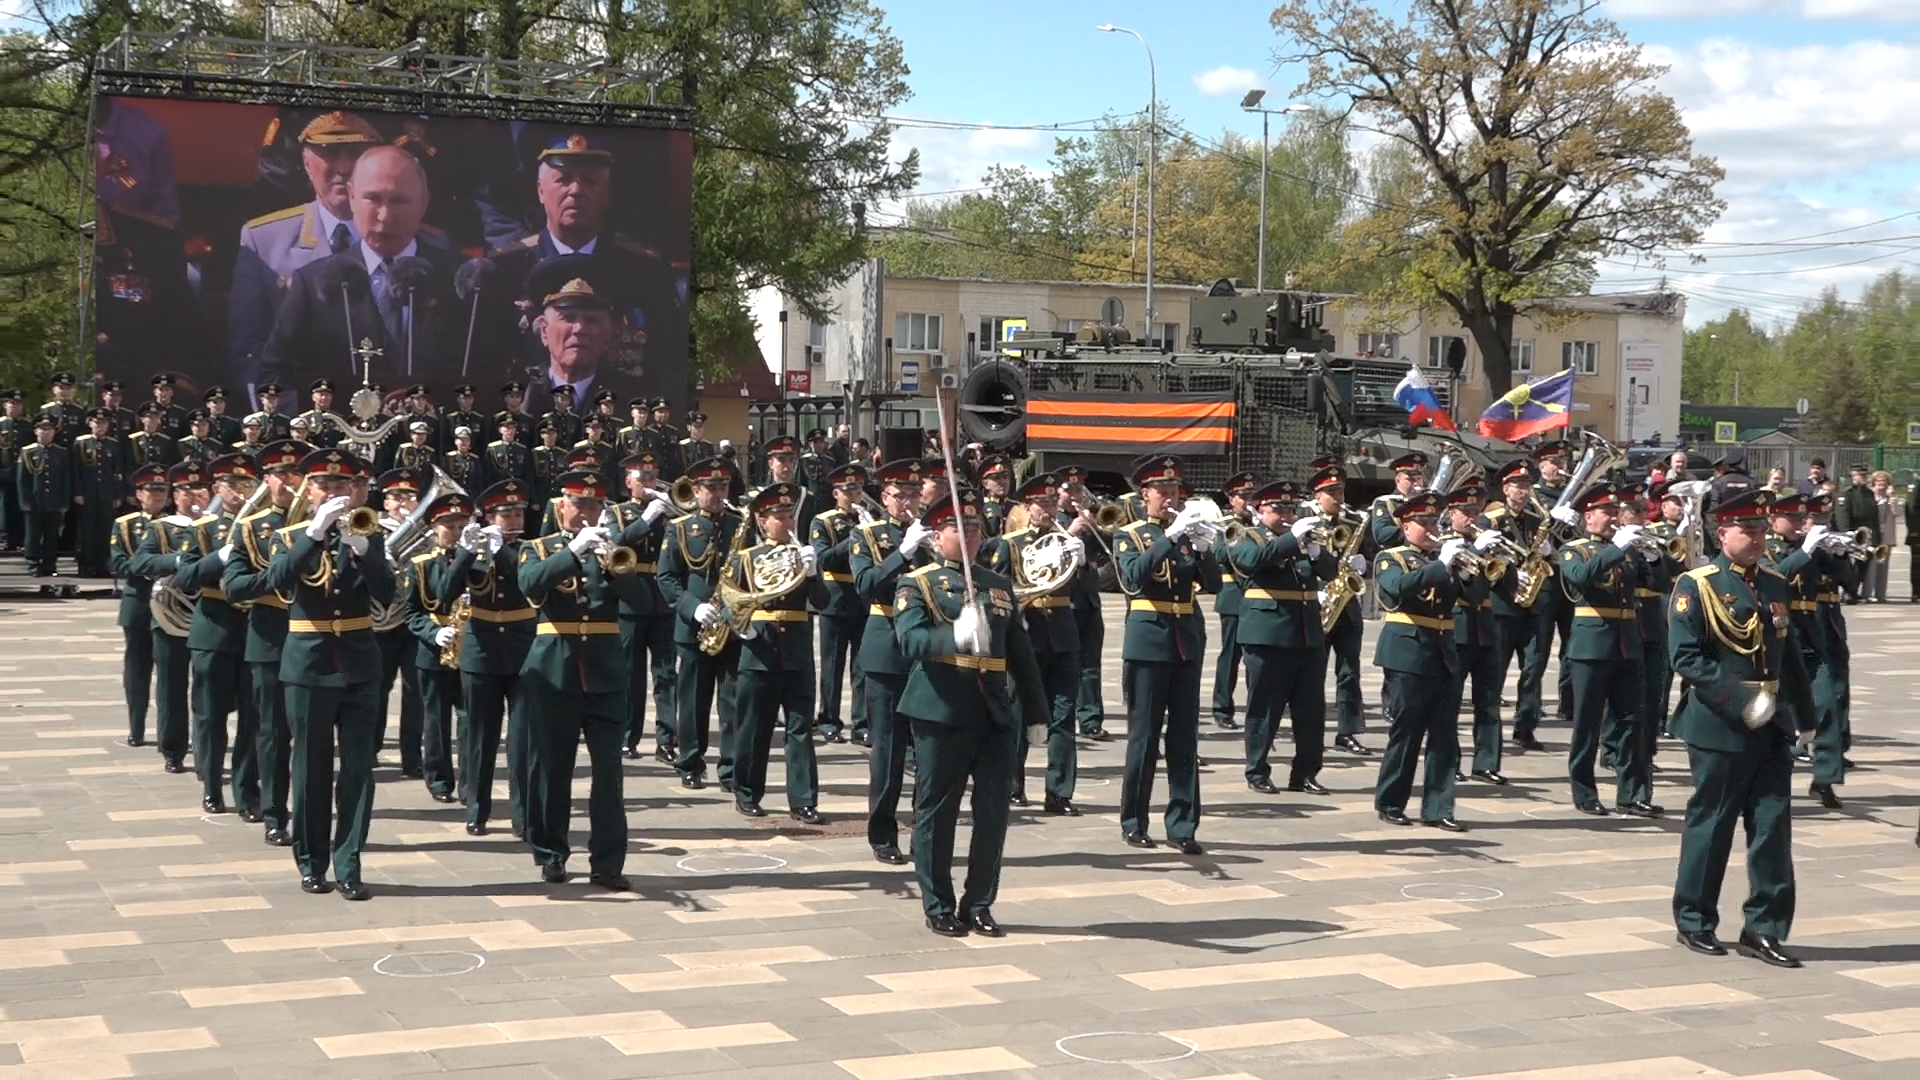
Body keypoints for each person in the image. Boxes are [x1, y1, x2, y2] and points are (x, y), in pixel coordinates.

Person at [1669, 489, 1817, 968]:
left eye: (1759, 529)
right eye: (1745, 530)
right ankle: (1694, 920)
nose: (1756, 538)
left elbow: (1786, 652)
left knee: (1773, 828)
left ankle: (1765, 927)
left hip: (1772, 724)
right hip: (1720, 724)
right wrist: (1745, 702)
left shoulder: (1774, 583)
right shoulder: (1698, 585)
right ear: (1722, 533)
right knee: (1711, 825)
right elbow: (1686, 659)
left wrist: (1807, 715)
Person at [893, 488, 1047, 938]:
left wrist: (1037, 711)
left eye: (977, 528)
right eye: (960, 529)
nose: (971, 536)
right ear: (937, 537)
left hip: (995, 712)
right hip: (941, 710)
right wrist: (954, 635)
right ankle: (937, 903)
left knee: (994, 811)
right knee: (937, 811)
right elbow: (911, 641)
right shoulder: (916, 583)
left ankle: (979, 901)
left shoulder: (998, 586)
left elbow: (1021, 653)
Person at [261, 448, 396, 900]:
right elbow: (277, 580)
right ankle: (312, 861)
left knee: (358, 768)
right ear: (308, 490)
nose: (335, 494)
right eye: (325, 486)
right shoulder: (289, 536)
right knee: (311, 767)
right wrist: (314, 536)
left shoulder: (369, 535)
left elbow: (387, 593)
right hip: (309, 664)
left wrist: (363, 552)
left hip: (359, 662)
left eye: (343, 486)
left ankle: (350, 862)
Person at [518, 469, 643, 890]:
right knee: (553, 769)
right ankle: (551, 853)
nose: (584, 512)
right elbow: (529, 586)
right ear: (561, 506)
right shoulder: (537, 548)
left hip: (605, 674)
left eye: (592, 505)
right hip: (554, 674)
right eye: (578, 503)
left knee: (609, 774)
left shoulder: (613, 551)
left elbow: (644, 601)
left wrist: (616, 566)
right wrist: (572, 552)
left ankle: (608, 862)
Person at [261, 145, 471, 391]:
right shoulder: (313, 284)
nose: (385, 215)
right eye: (372, 199)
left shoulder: (463, 284)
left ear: (424, 203)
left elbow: (489, 376)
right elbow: (275, 378)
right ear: (351, 196)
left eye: (399, 201)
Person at [490, 133, 686, 387]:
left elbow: (664, 368)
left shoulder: (645, 271)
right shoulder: (507, 268)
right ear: (541, 191)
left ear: (606, 193)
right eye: (564, 179)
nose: (576, 190)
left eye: (589, 180)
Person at [230, 111, 385, 397]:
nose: (344, 166)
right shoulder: (262, 240)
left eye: (355, 153)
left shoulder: (407, 239)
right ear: (306, 163)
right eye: (330, 153)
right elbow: (250, 350)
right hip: (297, 411)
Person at [1113, 455, 1221, 854]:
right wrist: (1170, 537)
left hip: (1185, 640)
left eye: (1175, 490)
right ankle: (1133, 821)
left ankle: (1182, 824)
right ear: (1146, 494)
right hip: (1148, 640)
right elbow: (1133, 578)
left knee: (1184, 737)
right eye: (1163, 490)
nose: (1171, 496)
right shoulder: (1130, 535)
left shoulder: (1188, 536)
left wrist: (1206, 549)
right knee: (1143, 737)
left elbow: (1214, 586)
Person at [1550, 482, 1661, 818]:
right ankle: (1584, 792)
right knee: (1587, 723)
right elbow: (1581, 577)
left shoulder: (1625, 548)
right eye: (1607, 512)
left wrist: (1656, 559)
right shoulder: (1573, 549)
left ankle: (1632, 793)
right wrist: (1616, 549)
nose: (1614, 517)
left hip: (1628, 642)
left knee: (1632, 721)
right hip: (1592, 645)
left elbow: (1654, 584)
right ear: (1588, 516)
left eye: (1616, 511)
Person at [721, 482, 829, 821]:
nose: (786, 522)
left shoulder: (803, 554)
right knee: (755, 727)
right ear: (761, 521)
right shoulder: (746, 558)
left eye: (789, 515)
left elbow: (824, 603)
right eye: (778, 516)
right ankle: (747, 792)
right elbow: (727, 598)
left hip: (796, 649)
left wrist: (813, 575)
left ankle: (803, 799)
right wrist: (742, 628)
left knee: (799, 729)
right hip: (760, 649)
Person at [979, 471, 1084, 813]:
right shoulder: (1011, 544)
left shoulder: (1065, 540)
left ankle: (1059, 792)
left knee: (1064, 716)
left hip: (1063, 633)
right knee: (1018, 711)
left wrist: (1082, 561)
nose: (1049, 510)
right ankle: (1013, 784)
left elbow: (1088, 591)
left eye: (1053, 502)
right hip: (1027, 633)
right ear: (1028, 506)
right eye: (1042, 503)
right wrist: (1011, 617)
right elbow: (997, 587)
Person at [436, 479, 537, 836]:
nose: (512, 519)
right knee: (480, 735)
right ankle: (476, 809)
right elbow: (443, 594)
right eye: (504, 514)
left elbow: (529, 583)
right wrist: (465, 552)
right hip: (480, 651)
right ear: (488, 517)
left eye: (517, 512)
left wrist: (504, 552)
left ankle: (523, 814)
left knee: (523, 738)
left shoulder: (530, 549)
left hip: (523, 649)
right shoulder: (473, 550)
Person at [223, 440, 306, 847]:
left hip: (318, 639)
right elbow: (234, 587)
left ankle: (309, 812)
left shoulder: (322, 523)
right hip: (271, 637)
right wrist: (272, 580)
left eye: (295, 473)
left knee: (313, 735)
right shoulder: (252, 527)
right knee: (271, 731)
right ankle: (274, 812)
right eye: (279, 474)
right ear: (266, 480)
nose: (288, 481)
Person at [1230, 478, 1336, 797]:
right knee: (1265, 706)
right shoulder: (1244, 534)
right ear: (1261, 509)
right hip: (1268, 634)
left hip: (1307, 633)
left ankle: (1305, 772)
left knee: (1310, 709)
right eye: (1279, 508)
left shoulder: (1300, 540)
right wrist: (1292, 538)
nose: (1287, 514)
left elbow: (1330, 572)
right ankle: (1257, 769)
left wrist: (1317, 552)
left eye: (1291, 507)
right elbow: (1249, 563)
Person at [1372, 491, 1469, 831]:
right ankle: (1390, 801)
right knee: (1407, 732)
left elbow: (1478, 597)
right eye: (1423, 522)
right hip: (1408, 652)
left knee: (1445, 735)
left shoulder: (1445, 559)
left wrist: (1472, 569)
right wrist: (1441, 565)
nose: (1431, 528)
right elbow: (1399, 588)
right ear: (1405, 525)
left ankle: (1439, 807)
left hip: (1444, 651)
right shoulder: (1390, 557)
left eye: (1434, 522)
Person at [853, 459, 929, 862]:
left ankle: (925, 834)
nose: (908, 502)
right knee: (888, 750)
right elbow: (866, 585)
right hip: (886, 649)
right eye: (900, 495)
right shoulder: (865, 535)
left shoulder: (932, 534)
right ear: (884, 497)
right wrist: (903, 551)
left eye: (915, 494)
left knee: (929, 750)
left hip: (928, 651)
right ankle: (883, 834)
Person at [658, 456, 745, 790]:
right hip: (695, 628)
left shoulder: (739, 525)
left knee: (732, 702)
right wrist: (691, 608)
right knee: (693, 701)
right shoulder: (679, 528)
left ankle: (731, 767)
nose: (718, 493)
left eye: (722, 486)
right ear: (696, 490)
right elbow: (667, 578)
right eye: (711, 487)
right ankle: (690, 761)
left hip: (732, 625)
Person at [1761, 492, 1846, 810]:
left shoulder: (1807, 546)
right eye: (1792, 519)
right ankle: (1773, 778)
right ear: (1774, 520)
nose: (1799, 524)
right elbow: (1774, 577)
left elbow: (1843, 579)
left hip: (1811, 632)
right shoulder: (1766, 546)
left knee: (1826, 703)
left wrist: (1837, 554)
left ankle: (1825, 778)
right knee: (1778, 707)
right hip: (1783, 631)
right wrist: (1806, 549)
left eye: (1801, 519)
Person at [403, 491, 476, 804]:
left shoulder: (476, 560)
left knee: (470, 719)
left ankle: (471, 782)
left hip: (471, 647)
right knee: (435, 720)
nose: (456, 533)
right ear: (435, 527)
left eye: (461, 526)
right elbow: (411, 611)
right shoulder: (420, 566)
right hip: (435, 650)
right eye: (450, 526)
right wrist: (433, 633)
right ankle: (439, 780)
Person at [604, 454, 677, 761]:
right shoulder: (616, 512)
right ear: (628, 482)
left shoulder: (669, 512)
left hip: (662, 599)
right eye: (642, 478)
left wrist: (674, 512)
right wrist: (646, 520)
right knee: (630, 674)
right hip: (631, 598)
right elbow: (615, 544)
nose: (648, 484)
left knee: (666, 675)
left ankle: (666, 741)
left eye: (652, 478)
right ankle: (627, 736)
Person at [1443, 483, 1514, 790]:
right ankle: (1450, 762)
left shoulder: (1487, 543)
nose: (1472, 517)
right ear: (1451, 514)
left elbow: (1507, 586)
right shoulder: (1442, 544)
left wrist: (1507, 562)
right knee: (1450, 701)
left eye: (1476, 511)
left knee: (1489, 700)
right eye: (1465, 512)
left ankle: (1487, 763)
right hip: (1456, 626)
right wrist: (1474, 550)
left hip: (1486, 626)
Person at [1478, 458, 1546, 777]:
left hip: (1531, 606)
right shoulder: (1491, 519)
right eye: (1518, 486)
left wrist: (1547, 553)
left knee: (1533, 667)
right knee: (1497, 672)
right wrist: (1509, 574)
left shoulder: (1535, 519)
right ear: (1505, 488)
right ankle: (1489, 740)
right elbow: (1485, 559)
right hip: (1502, 605)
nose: (1523, 491)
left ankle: (1526, 727)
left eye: (1527, 486)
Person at [1306, 463, 1372, 756]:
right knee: (1313, 673)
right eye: (1331, 492)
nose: (1338, 497)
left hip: (1346, 605)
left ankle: (1348, 731)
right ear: (1317, 495)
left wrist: (1364, 565)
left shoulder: (1355, 521)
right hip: (1317, 603)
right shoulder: (1304, 520)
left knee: (1349, 672)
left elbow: (1369, 555)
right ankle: (1311, 728)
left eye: (1341, 491)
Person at [809, 464, 870, 746]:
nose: (854, 494)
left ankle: (861, 723)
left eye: (857, 489)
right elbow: (824, 559)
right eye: (848, 490)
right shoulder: (824, 522)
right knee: (832, 664)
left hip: (863, 597)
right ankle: (829, 719)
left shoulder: (870, 520)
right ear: (836, 493)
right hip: (836, 595)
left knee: (862, 666)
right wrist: (856, 537)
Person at [112, 465, 172, 748]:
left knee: (169, 674)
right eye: (152, 490)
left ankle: (169, 733)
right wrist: (150, 569)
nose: (158, 495)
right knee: (137, 671)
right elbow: (117, 562)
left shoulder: (179, 522)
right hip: (138, 603)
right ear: (139, 494)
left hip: (171, 606)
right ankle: (136, 727)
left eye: (162, 490)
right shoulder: (125, 524)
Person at [1056, 467, 1110, 739]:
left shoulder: (1087, 516)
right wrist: (1070, 530)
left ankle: (1091, 719)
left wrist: (1096, 528)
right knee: (1067, 663)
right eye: (1069, 490)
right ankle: (1063, 718)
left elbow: (1105, 552)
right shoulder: (1052, 519)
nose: (1075, 495)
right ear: (1058, 491)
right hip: (1065, 600)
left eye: (1079, 490)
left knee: (1092, 663)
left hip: (1089, 598)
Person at [1208, 472, 1259, 732]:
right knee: (1230, 655)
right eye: (1243, 496)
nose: (1249, 501)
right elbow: (1216, 554)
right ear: (1231, 499)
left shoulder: (1262, 523)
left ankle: (1255, 709)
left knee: (1256, 658)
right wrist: (1236, 540)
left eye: (1252, 495)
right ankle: (1222, 708)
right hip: (1233, 596)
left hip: (1258, 597)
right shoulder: (1224, 524)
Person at [72, 408, 128, 578]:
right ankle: (86, 565)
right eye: (96, 422)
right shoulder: (81, 443)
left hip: (106, 494)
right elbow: (75, 471)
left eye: (103, 423)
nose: (100, 426)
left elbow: (118, 472)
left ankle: (103, 564)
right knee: (86, 532)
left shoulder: (113, 444)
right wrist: (77, 492)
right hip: (87, 495)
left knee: (105, 531)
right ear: (90, 423)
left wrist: (118, 494)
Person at [17, 415, 72, 581]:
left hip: (53, 500)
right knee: (33, 534)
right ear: (35, 431)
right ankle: (33, 564)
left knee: (51, 534)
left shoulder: (61, 452)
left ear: (54, 432)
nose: (45, 432)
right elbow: (22, 480)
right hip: (34, 500)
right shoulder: (28, 451)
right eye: (42, 429)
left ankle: (50, 564)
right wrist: (24, 501)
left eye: (49, 429)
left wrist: (64, 501)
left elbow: (66, 479)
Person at [1835, 465, 1877, 603]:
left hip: (1867, 534)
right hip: (1854, 534)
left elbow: (1874, 516)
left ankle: (1854, 591)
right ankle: (1848, 592)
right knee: (1852, 565)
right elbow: (1843, 518)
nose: (1863, 478)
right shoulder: (1846, 494)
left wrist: (1876, 537)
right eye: (1860, 475)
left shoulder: (1869, 494)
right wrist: (1849, 536)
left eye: (1865, 475)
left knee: (1862, 565)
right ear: (1853, 476)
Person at [0, 388, 24, 551]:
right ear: (5, 405)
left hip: (22, 472)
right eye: (12, 404)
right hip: (3, 471)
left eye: (18, 404)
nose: (15, 407)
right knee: (5, 505)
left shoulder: (28, 425)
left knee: (20, 506)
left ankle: (19, 538)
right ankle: (6, 538)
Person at [1869, 470, 1899, 602]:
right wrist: (1876, 496)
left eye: (1884, 483)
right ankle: (1868, 593)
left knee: (1884, 565)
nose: (1881, 486)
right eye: (1879, 483)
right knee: (1872, 565)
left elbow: (1898, 512)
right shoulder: (1870, 496)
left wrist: (1891, 498)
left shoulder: (1892, 499)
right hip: (1873, 535)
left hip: (1886, 535)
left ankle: (1881, 594)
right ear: (1874, 483)